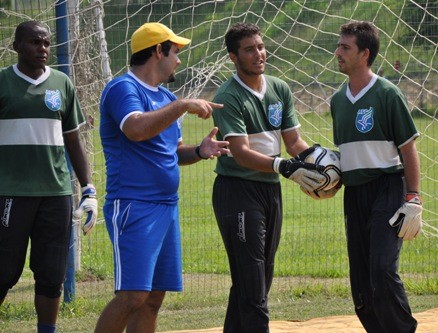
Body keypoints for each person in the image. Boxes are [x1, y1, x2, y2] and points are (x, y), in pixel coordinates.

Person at [95, 22, 230, 333]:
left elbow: (173, 151)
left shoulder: (166, 95)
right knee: (132, 295)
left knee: (154, 297)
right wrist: (182, 104)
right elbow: (136, 128)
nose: (179, 60)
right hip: (133, 205)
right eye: (176, 51)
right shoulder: (122, 89)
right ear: (158, 51)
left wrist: (200, 150)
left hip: (166, 207)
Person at [211, 22, 327, 333]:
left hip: (269, 190)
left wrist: (321, 161)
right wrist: (286, 167)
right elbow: (241, 152)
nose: (259, 53)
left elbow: (293, 142)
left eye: (260, 47)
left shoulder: (279, 88)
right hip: (237, 191)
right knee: (252, 279)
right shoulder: (228, 95)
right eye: (249, 49)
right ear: (233, 57)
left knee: (259, 279)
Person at [0, 21, 98, 333]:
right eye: (34, 43)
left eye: (46, 43)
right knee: (4, 272)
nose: (42, 49)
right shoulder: (2, 83)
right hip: (10, 192)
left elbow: (73, 140)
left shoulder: (62, 83)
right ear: (16, 47)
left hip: (56, 195)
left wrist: (88, 188)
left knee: (52, 273)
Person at [331, 20, 421, 332]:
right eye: (339, 45)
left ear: (364, 54)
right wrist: (325, 178)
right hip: (354, 194)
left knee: (382, 269)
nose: (338, 52)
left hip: (388, 188)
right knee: (361, 283)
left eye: (345, 47)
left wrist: (413, 198)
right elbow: (345, 156)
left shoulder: (387, 93)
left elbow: (408, 149)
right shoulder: (337, 100)